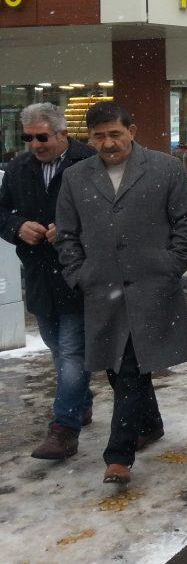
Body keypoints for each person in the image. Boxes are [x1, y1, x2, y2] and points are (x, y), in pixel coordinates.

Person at [55, 102, 187, 485]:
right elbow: (66, 234)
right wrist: (79, 274)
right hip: (101, 289)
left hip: (153, 286)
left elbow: (185, 222)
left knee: (131, 365)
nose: (108, 142)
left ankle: (118, 455)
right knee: (117, 368)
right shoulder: (75, 177)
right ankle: (149, 424)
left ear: (132, 131)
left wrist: (173, 264)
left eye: (115, 134)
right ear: (89, 138)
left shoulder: (165, 169)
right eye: (99, 136)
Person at [0, 103, 97, 460]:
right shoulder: (20, 167)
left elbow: (110, 212)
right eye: (29, 138)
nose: (35, 144)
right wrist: (16, 227)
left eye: (42, 137)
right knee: (58, 350)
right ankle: (81, 403)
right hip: (39, 276)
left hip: (76, 275)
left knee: (72, 353)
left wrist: (74, 230)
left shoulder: (88, 162)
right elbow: (2, 211)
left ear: (62, 134)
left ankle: (63, 429)